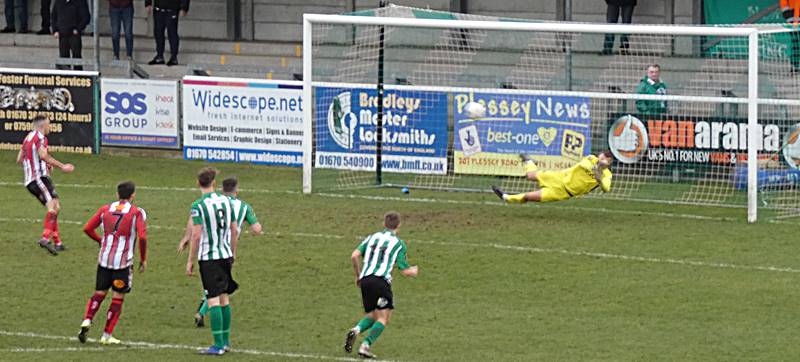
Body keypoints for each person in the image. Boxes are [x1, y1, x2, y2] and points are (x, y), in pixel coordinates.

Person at [178, 176, 262, 328]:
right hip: (226, 249)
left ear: (222, 189)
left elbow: (193, 220)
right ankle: (210, 323)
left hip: (208, 249)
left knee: (215, 286)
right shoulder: (243, 206)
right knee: (220, 290)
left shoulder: (208, 203)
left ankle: (203, 314)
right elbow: (256, 229)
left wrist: (186, 237)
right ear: (236, 191)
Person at [79, 181, 148, 345]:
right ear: (133, 195)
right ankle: (106, 335)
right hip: (123, 263)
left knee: (99, 293)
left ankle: (87, 319)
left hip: (104, 260)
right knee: (117, 297)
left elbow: (87, 228)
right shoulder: (136, 212)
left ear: (117, 194)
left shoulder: (105, 209)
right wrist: (143, 259)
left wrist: (100, 240)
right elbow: (143, 237)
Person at [344, 212, 419, 359]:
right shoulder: (398, 244)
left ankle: (356, 329)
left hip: (365, 280)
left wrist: (358, 276)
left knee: (372, 315)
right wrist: (414, 271)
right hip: (381, 282)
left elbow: (354, 255)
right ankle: (365, 346)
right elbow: (404, 271)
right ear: (399, 226)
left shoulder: (372, 237)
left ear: (384, 224)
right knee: (383, 318)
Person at [186, 167, 239, 355]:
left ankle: (217, 346)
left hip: (209, 259)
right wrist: (232, 253)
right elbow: (234, 230)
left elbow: (197, 235)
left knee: (213, 300)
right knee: (224, 299)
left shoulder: (197, 206)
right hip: (225, 255)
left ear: (198, 183)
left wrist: (190, 260)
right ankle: (225, 342)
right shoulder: (227, 201)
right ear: (214, 183)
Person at [16, 114, 75, 255]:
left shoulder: (27, 137)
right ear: (42, 126)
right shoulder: (41, 138)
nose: (50, 126)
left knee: (56, 206)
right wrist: (62, 166)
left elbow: (19, 159)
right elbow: (42, 155)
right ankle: (44, 238)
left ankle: (58, 242)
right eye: (49, 124)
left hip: (33, 180)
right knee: (52, 208)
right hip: (38, 179)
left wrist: (44, 163)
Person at [491, 152, 613, 203]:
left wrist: (600, 179)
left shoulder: (607, 175)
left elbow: (606, 188)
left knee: (529, 196)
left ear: (609, 162)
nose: (602, 159)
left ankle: (506, 197)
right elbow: (584, 165)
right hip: (558, 177)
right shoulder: (591, 159)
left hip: (563, 192)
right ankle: (529, 161)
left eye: (606, 159)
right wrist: (596, 170)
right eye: (602, 156)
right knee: (530, 175)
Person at [145, 0, 189, 66]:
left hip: (172, 9)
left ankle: (174, 57)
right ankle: (159, 56)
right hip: (158, 8)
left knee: (172, 33)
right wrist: (148, 3)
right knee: (158, 32)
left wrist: (184, 7)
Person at [51, 0, 90, 70]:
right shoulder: (59, 2)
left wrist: (78, 29)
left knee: (77, 57)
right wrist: (55, 30)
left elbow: (86, 17)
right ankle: (65, 77)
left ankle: (78, 77)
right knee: (63, 58)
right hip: (62, 34)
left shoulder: (80, 2)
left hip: (74, 34)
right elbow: (53, 16)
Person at [782, 0, 800, 72]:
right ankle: (795, 66)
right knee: (796, 44)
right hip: (793, 21)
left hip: (793, 20)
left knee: (796, 44)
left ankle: (795, 66)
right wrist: (794, 21)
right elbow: (784, 6)